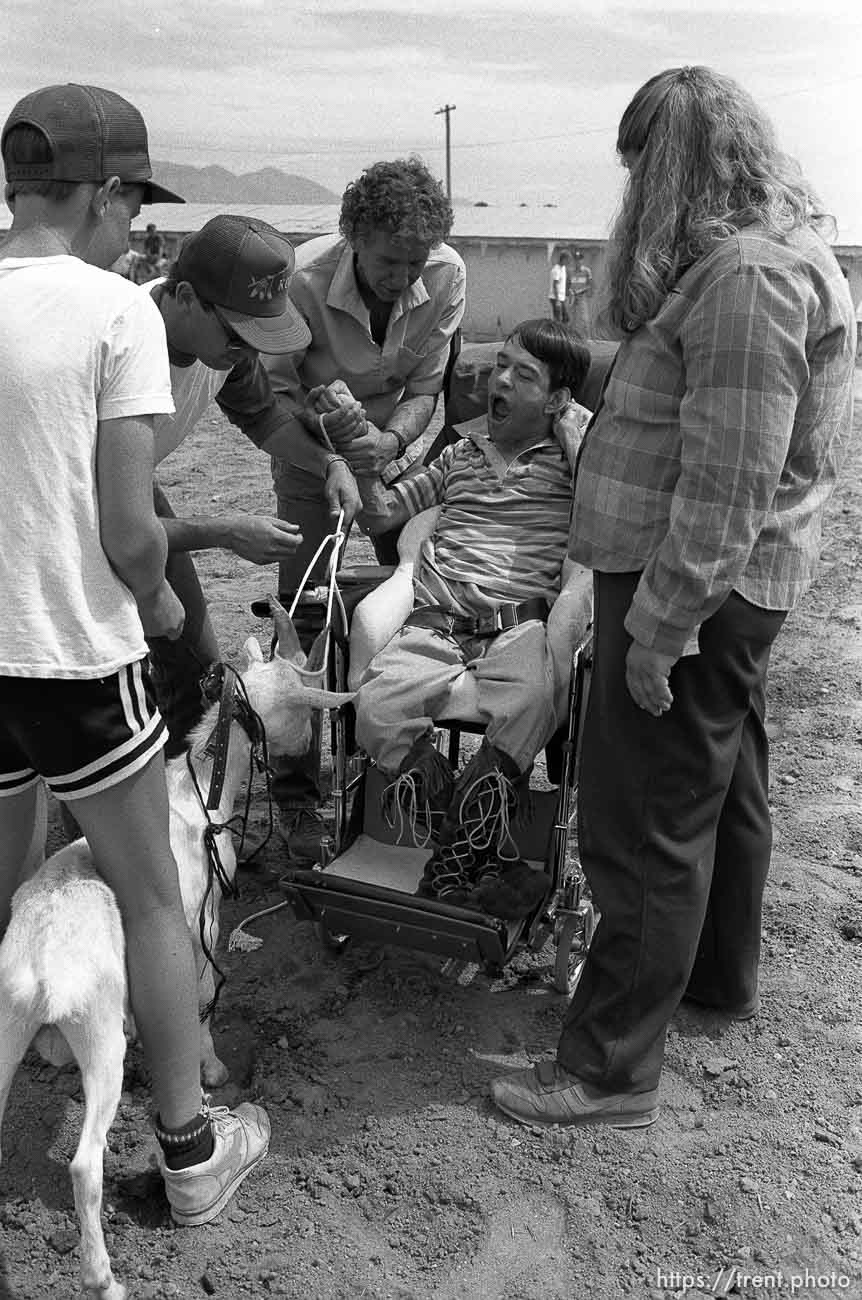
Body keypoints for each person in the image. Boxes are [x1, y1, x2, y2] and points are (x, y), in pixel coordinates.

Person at [490, 66, 856, 1130]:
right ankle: (708, 982)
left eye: (640, 166)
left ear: (674, 166)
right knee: (717, 789)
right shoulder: (745, 266)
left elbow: (728, 480)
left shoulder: (747, 277)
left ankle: (607, 1068)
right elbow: (684, 413)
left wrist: (657, 629)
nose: (629, 192)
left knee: (644, 820)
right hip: (711, 587)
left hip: (686, 586)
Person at [0, 82, 269, 1223]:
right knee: (152, 897)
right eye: (131, 204)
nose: (133, 230)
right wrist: (166, 612)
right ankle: (192, 1148)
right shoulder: (114, 312)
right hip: (72, 651)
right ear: (105, 191)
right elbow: (125, 529)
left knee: (12, 887)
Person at [264, 156, 466, 863]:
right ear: (353, 236)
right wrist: (333, 461)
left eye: (417, 262)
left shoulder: (447, 275)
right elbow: (276, 396)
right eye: (389, 261)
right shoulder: (300, 280)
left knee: (420, 597)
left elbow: (426, 387)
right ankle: (293, 791)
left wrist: (388, 442)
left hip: (393, 449)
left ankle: (397, 768)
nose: (405, 278)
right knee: (307, 615)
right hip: (308, 451)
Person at [353, 319, 591, 919]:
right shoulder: (458, 455)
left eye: (523, 374)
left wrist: (572, 429)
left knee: (535, 699)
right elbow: (381, 514)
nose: (500, 380)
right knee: (377, 708)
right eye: (501, 364)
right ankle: (466, 855)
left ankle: (455, 863)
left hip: (522, 625)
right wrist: (355, 457)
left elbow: (618, 492)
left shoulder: (572, 468)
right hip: (437, 616)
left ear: (558, 400)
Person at [144, 215, 360, 752]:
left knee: (198, 672)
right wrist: (226, 532)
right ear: (186, 297)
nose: (247, 351)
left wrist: (328, 463)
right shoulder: (124, 343)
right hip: (60, 511)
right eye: (237, 334)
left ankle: (172, 799)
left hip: (128, 494)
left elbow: (264, 417)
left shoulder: (223, 353)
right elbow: (103, 519)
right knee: (97, 687)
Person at [566, 249, 593, 335]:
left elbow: (590, 285)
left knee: (585, 319)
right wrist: (569, 291)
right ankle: (569, 337)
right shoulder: (570, 271)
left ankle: (588, 338)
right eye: (576, 259)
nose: (578, 261)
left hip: (582, 297)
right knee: (570, 319)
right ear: (574, 261)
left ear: (582, 260)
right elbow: (567, 285)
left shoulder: (586, 271)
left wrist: (580, 291)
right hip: (572, 297)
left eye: (580, 259)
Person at [548, 250, 569, 323]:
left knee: (566, 318)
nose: (568, 262)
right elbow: (555, 285)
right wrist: (557, 300)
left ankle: (563, 333)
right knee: (558, 319)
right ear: (563, 259)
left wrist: (565, 296)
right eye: (567, 260)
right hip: (556, 298)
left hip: (561, 298)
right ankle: (556, 333)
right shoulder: (556, 270)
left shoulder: (563, 268)